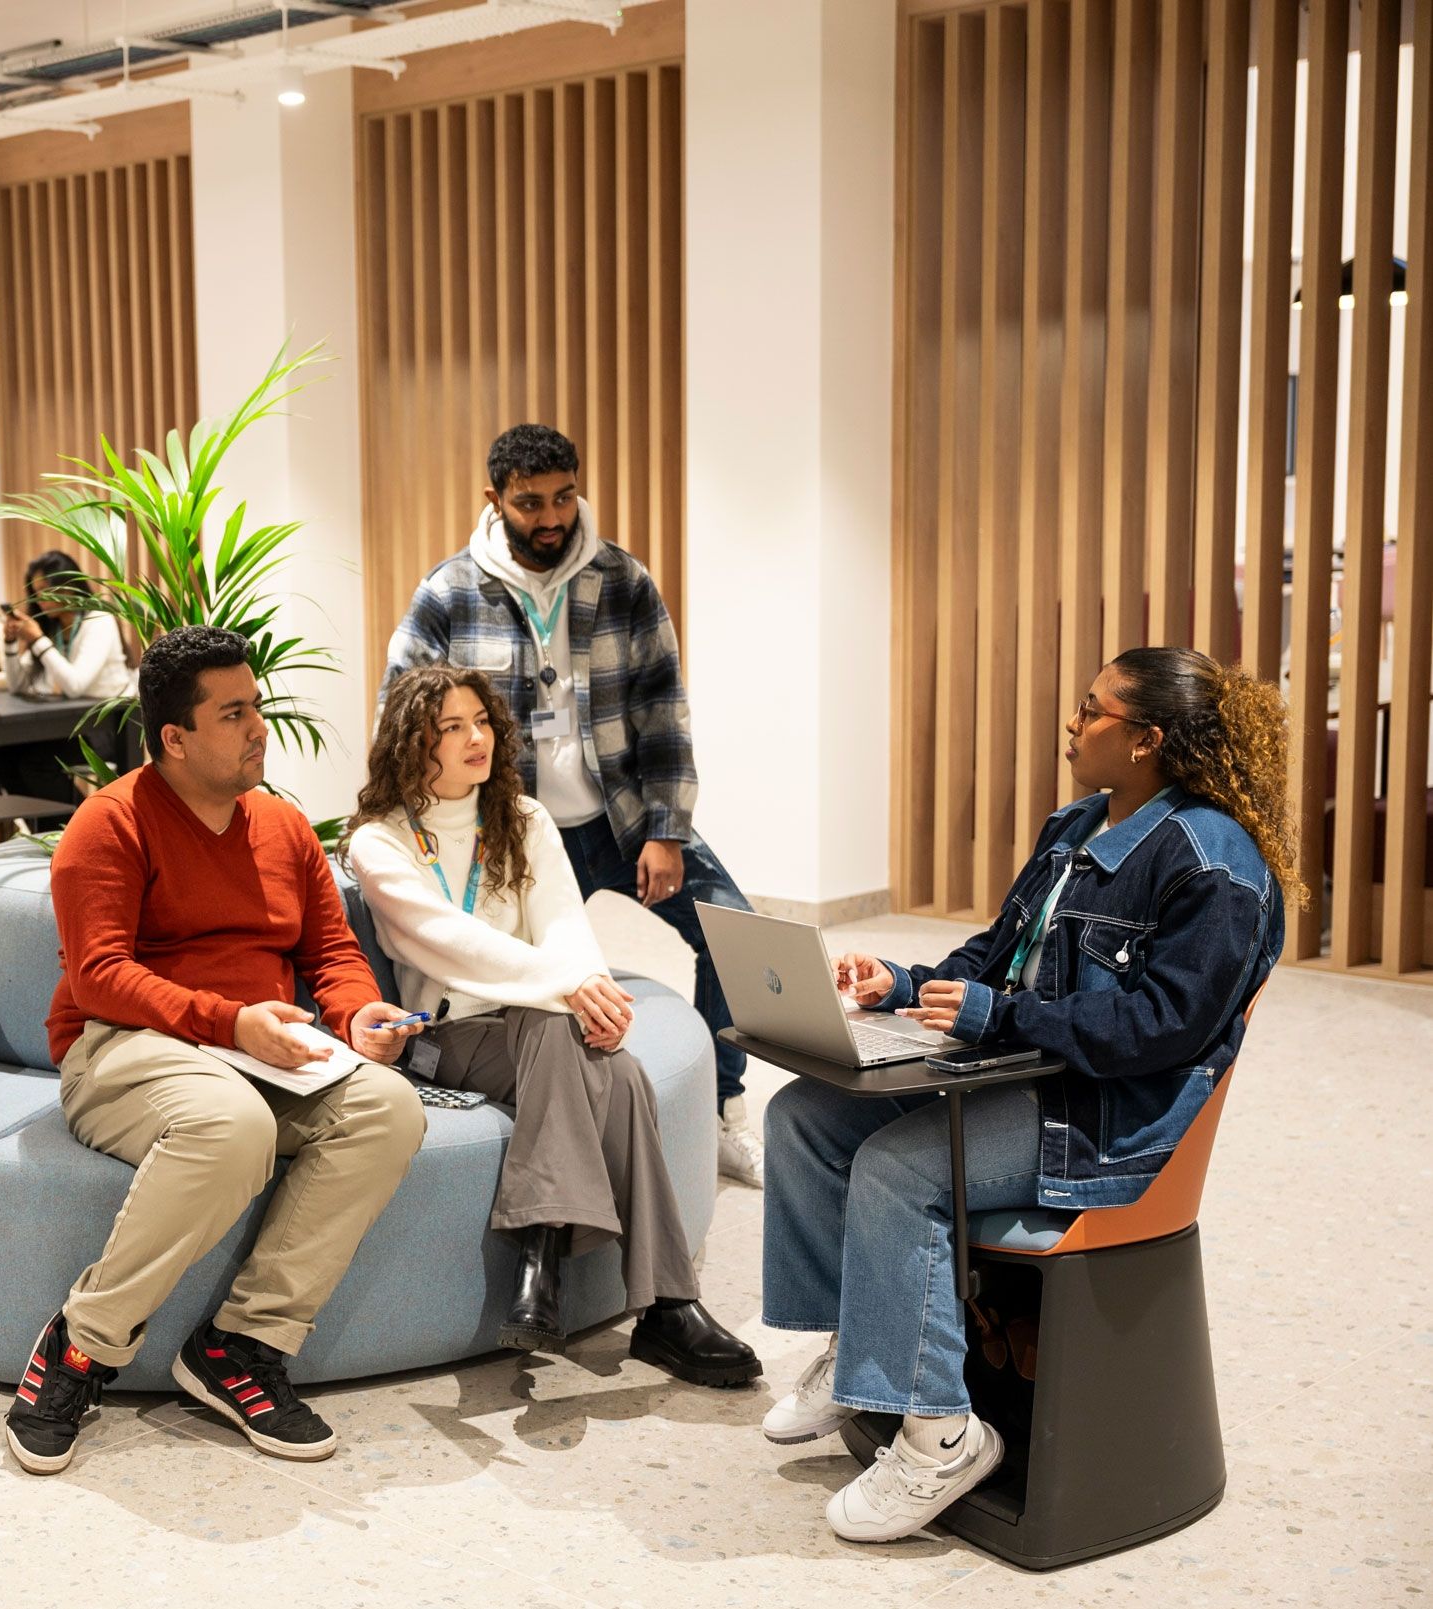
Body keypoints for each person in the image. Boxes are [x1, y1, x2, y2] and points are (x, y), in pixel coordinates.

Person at [760, 647, 1294, 1544]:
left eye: (1092, 712)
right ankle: (858, 1352)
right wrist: (901, 982)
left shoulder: (1217, 867)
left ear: (1145, 741)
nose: (1072, 724)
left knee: (895, 1168)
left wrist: (1000, 1017)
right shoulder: (1075, 825)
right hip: (1029, 1076)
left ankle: (939, 1438)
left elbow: (1161, 1028)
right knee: (804, 1118)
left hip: (1110, 1119)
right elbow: (998, 955)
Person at [6, 625, 429, 1477]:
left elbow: (332, 953)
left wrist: (354, 1015)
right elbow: (98, 977)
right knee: (229, 1123)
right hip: (124, 1046)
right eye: (233, 713)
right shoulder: (109, 823)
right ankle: (80, 1347)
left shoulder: (282, 826)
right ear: (175, 738)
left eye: (257, 707)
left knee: (389, 1107)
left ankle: (240, 1345)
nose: (258, 727)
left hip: (255, 1052)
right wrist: (229, 1022)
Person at [345, 666, 760, 1384]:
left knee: (613, 1066)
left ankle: (595, 1281)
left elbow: (562, 920)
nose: (475, 736)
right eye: (450, 726)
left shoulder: (524, 818)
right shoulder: (378, 841)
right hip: (445, 1039)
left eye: (480, 719)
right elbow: (441, 939)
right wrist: (568, 991)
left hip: (535, 1024)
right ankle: (621, 1286)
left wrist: (587, 987)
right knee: (569, 1037)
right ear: (413, 742)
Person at [384, 423, 768, 1188]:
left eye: (564, 496)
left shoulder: (623, 581)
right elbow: (399, 716)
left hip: (618, 822)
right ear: (494, 501)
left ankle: (724, 1111)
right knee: (520, 974)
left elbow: (664, 712)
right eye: (530, 503)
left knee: (739, 935)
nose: (552, 516)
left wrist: (664, 830)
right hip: (510, 833)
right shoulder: (448, 592)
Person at [1, 549, 137, 795]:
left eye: (47, 589)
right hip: (73, 723)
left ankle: (78, 824)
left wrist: (39, 641)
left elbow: (75, 685)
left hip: (109, 724)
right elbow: (17, 686)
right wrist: (11, 643)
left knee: (36, 764)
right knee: (5, 759)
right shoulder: (52, 626)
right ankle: (53, 828)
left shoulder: (99, 620)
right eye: (36, 591)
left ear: (69, 586)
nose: (40, 598)